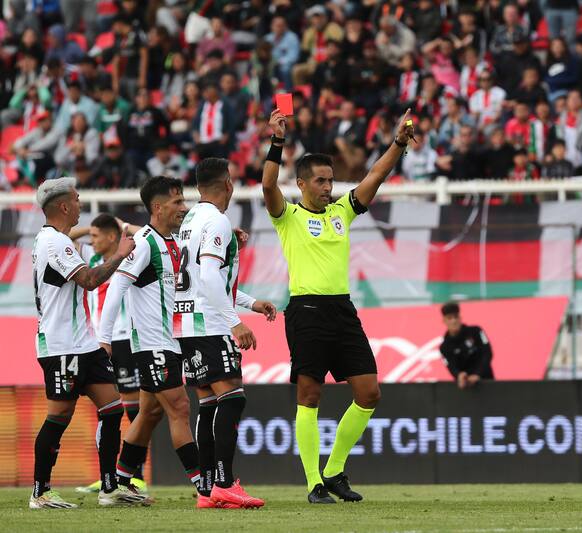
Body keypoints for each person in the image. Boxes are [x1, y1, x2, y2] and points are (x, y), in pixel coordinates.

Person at [262, 108, 415, 503]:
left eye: (330, 180)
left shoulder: (342, 212)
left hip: (343, 312)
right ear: (301, 184)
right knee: (310, 395)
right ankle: (314, 482)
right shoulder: (288, 216)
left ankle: (333, 470)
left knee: (369, 393)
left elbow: (375, 176)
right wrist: (277, 142)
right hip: (307, 312)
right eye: (321, 180)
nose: (329, 187)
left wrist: (397, 143)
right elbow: (267, 187)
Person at [30, 177, 144, 509]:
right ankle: (40, 491)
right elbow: (90, 280)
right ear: (64, 206)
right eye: (78, 200)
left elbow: (73, 253)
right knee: (60, 416)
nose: (82, 204)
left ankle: (110, 488)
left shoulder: (52, 239)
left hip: (84, 344)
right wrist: (121, 254)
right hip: (62, 345)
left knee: (112, 409)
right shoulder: (55, 243)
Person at [97, 177, 208, 504]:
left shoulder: (169, 241)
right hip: (152, 345)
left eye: (184, 201)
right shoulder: (144, 242)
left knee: (149, 414)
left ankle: (117, 485)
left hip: (168, 343)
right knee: (180, 407)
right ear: (158, 208)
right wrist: (105, 339)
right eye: (177, 202)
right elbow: (116, 287)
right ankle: (205, 486)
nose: (184, 207)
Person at [175, 158, 277, 508]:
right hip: (211, 324)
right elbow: (207, 276)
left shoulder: (190, 220)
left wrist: (250, 303)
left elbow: (212, 277)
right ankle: (224, 482)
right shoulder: (217, 221)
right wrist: (235, 321)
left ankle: (206, 490)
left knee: (207, 403)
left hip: (188, 323)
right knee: (233, 398)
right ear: (228, 183)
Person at [69, 214, 148, 494]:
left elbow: (151, 233)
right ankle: (109, 475)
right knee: (108, 409)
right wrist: (89, 228)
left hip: (125, 338)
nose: (91, 241)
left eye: (96, 236)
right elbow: (64, 239)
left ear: (112, 237)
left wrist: (123, 225)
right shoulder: (92, 263)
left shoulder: (131, 255)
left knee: (133, 408)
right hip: (99, 341)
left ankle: (134, 474)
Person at [439, 302, 494, 389]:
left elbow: (487, 353)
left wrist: (477, 374)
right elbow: (451, 366)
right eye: (449, 318)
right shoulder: (444, 347)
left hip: (487, 382)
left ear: (460, 318)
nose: (453, 321)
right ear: (444, 321)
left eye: (456, 317)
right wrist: (459, 376)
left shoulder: (476, 331)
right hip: (465, 388)